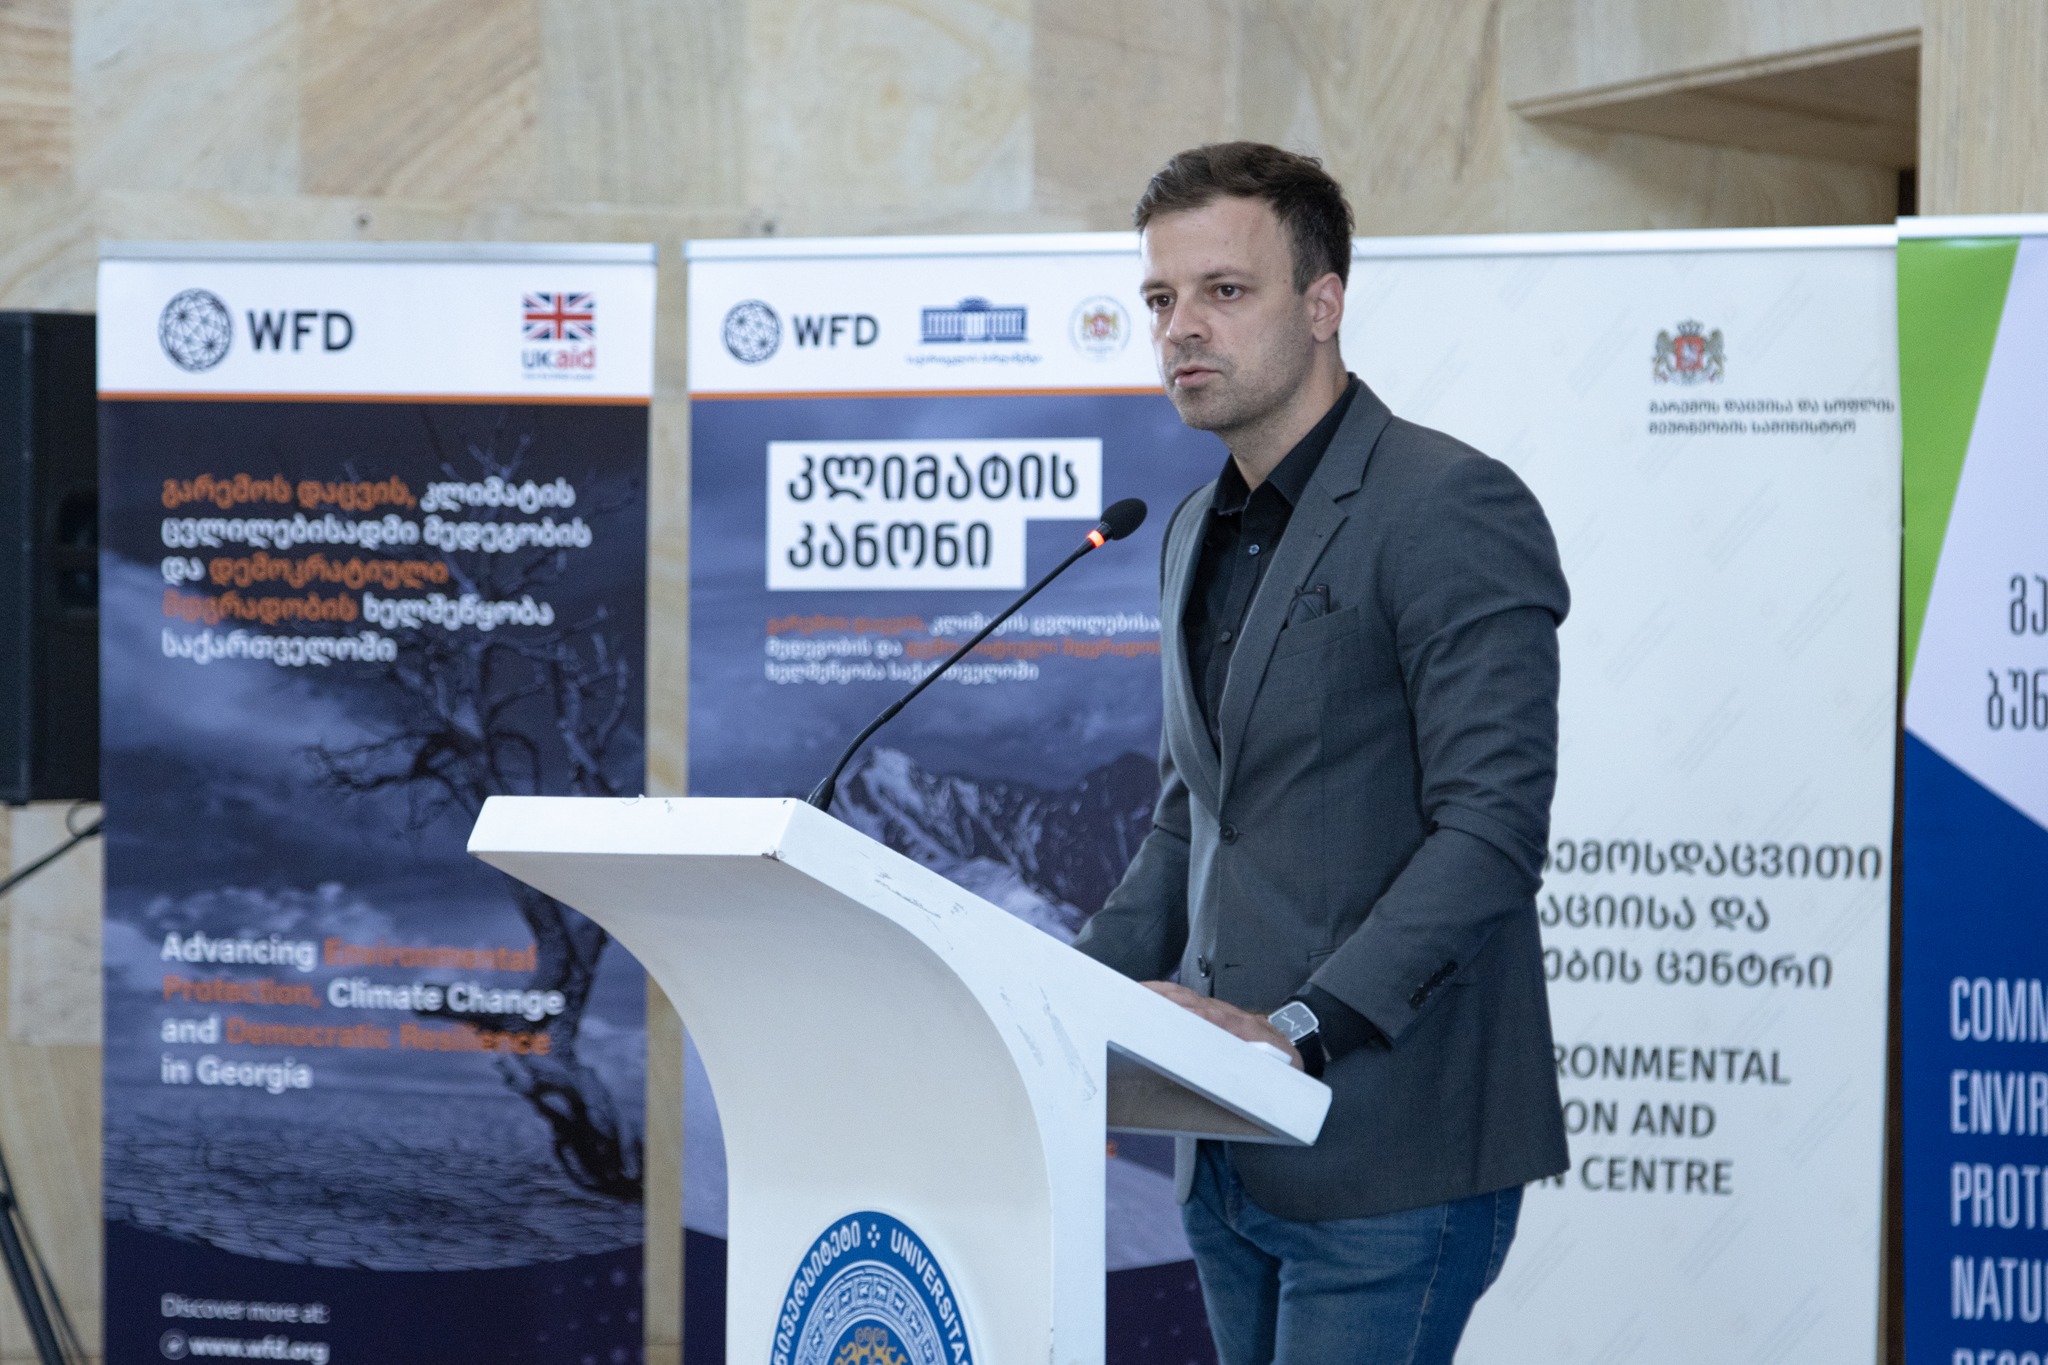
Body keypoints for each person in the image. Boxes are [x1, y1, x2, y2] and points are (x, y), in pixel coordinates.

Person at [1072, 142, 1571, 1364]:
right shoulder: (1186, 529)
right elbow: (1193, 818)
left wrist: (1295, 1028)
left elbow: (1489, 835)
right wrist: (1051, 1001)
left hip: (1389, 1150)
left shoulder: (1447, 505)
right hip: (1223, 1150)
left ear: (1321, 302)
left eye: (1222, 291)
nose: (1180, 329)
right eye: (1159, 299)